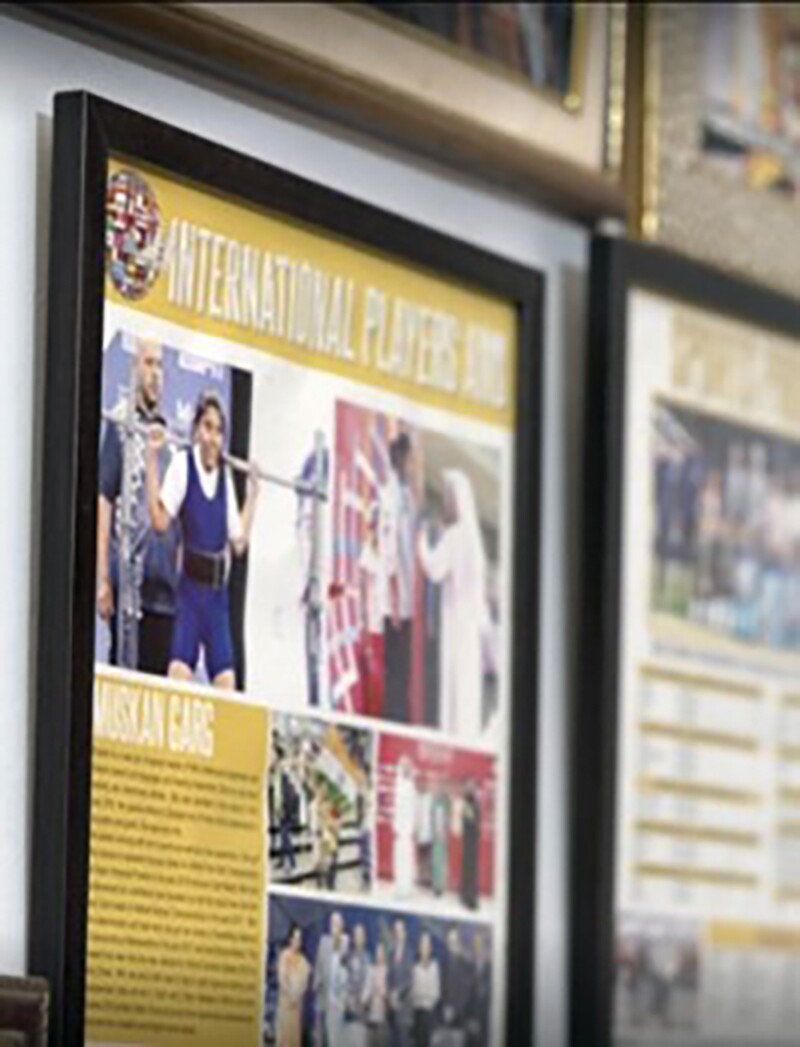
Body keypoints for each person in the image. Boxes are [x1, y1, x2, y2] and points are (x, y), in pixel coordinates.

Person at [146, 390, 259, 690]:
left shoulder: (225, 478)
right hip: (190, 597)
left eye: (219, 431)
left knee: (227, 690)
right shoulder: (183, 466)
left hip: (217, 602)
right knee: (177, 683)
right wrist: (152, 458)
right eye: (208, 428)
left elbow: (238, 543)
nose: (213, 438)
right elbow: (159, 522)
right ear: (197, 430)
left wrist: (254, 494)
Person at [97, 338, 178, 673]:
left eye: (159, 364)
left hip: (165, 593)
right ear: (134, 369)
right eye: (148, 363)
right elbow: (104, 501)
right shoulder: (120, 426)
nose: (155, 373)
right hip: (129, 586)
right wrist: (102, 578)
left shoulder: (168, 436)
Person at [417, 470, 486, 737]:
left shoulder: (455, 535)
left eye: (448, 497)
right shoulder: (471, 537)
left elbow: (435, 569)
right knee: (467, 686)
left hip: (456, 621)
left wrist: (421, 541)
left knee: (454, 684)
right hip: (469, 626)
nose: (445, 503)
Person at [382, 432, 418, 723]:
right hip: (395, 605)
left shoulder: (406, 495)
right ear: (401, 460)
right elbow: (390, 554)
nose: (414, 464)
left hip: (405, 601)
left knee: (404, 670)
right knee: (395, 669)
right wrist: (394, 605)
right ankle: (393, 718)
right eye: (411, 459)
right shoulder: (390, 496)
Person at [358, 501, 387, 719]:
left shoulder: (389, 554)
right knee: (372, 679)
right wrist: (365, 629)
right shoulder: (367, 555)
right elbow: (362, 594)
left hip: (386, 628)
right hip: (372, 628)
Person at [314, 912, 348, 1046]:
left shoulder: (345, 941)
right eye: (332, 923)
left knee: (335, 1039)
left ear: (342, 925)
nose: (334, 926)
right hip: (323, 997)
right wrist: (316, 984)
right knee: (321, 1037)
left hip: (338, 1000)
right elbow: (318, 965)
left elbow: (346, 967)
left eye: (337, 923)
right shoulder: (324, 941)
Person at [276, 925, 311, 1047]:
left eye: (299, 939)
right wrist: (290, 995)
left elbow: (304, 984)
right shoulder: (284, 956)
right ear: (290, 939)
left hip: (296, 1008)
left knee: (294, 1041)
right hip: (285, 1007)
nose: (297, 941)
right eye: (295, 938)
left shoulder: (304, 962)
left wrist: (296, 996)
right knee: (283, 1040)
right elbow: (282, 979)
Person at [440, 927, 471, 1040]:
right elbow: (443, 990)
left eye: (454, 941)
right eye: (449, 942)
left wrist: (453, 1010)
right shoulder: (444, 964)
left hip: (459, 1021)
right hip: (444, 1020)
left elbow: (466, 994)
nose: (451, 945)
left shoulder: (466, 965)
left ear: (459, 942)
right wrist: (444, 1008)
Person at [393, 758, 418, 899]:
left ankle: (406, 887)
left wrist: (408, 829)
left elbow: (410, 810)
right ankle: (399, 886)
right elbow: (397, 808)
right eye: (401, 766)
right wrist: (396, 826)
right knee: (399, 859)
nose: (402, 769)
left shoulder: (410, 787)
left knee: (406, 860)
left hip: (406, 831)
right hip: (399, 829)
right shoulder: (399, 784)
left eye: (404, 767)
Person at [387, 919, 413, 1047]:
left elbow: (410, 980)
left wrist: (398, 994)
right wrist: (390, 994)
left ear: (405, 933)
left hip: (404, 1010)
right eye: (396, 930)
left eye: (400, 930)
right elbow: (389, 978)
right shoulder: (391, 953)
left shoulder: (410, 953)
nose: (398, 933)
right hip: (392, 1010)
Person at [411, 932, 440, 1046]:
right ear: (419, 948)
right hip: (417, 1015)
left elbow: (435, 993)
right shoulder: (415, 968)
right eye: (422, 945)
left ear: (430, 948)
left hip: (430, 1015)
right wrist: (423, 994)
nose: (424, 948)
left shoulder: (435, 967)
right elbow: (414, 993)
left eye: (427, 945)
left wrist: (423, 995)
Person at [344, 924, 371, 1047]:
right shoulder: (348, 957)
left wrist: (360, 1001)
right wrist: (348, 1000)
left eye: (360, 935)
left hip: (361, 1016)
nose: (358, 938)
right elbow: (344, 981)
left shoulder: (368, 958)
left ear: (364, 938)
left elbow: (368, 985)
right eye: (355, 935)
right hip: (348, 1014)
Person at [459, 781, 481, 912]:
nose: (470, 791)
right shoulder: (467, 804)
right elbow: (468, 820)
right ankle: (467, 898)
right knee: (468, 870)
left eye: (472, 789)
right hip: (469, 841)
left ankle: (469, 897)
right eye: (468, 788)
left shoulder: (473, 804)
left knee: (471, 870)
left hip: (472, 841)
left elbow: (474, 820)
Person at [465, 933, 490, 1046]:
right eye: (475, 946)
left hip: (486, 1023)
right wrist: (470, 1019)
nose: (477, 949)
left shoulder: (491, 970)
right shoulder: (468, 968)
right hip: (470, 1023)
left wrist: (480, 1020)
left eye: (479, 945)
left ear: (484, 948)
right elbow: (467, 998)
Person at [365, 942, 390, 1047]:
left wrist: (382, 991)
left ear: (384, 954)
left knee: (381, 1042)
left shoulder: (388, 970)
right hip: (371, 1014)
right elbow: (366, 989)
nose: (379, 955)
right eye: (377, 952)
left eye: (381, 952)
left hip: (383, 1015)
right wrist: (368, 997)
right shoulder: (371, 969)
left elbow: (389, 992)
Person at [431, 787, 450, 898]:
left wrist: (443, 834)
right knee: (436, 863)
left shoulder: (445, 805)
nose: (439, 794)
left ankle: (441, 887)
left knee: (442, 864)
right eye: (438, 792)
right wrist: (435, 832)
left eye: (441, 792)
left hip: (443, 838)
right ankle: (436, 887)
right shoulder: (434, 805)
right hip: (436, 838)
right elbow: (432, 819)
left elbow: (446, 821)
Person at [416, 777, 433, 889]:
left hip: (429, 833)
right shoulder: (416, 798)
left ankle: (429, 880)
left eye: (423, 784)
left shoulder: (430, 798)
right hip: (419, 833)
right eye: (419, 784)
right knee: (420, 857)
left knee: (428, 858)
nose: (421, 786)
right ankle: (421, 878)